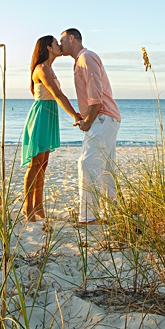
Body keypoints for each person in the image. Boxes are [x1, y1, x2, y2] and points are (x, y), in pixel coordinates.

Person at [58, 28, 121, 225]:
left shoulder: (86, 57)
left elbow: (96, 96)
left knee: (86, 163)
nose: (60, 45)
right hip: (104, 118)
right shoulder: (80, 61)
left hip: (102, 117)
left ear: (71, 38)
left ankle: (88, 217)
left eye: (62, 40)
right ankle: (110, 213)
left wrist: (87, 122)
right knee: (105, 168)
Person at [21, 35, 81, 221]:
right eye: (56, 43)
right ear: (48, 47)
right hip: (41, 116)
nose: (59, 46)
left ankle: (39, 207)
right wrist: (75, 115)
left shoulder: (50, 69)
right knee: (35, 163)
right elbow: (58, 95)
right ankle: (27, 206)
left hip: (49, 116)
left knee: (43, 164)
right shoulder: (41, 69)